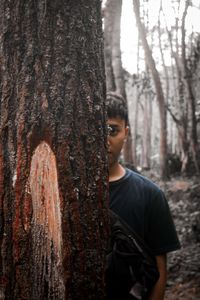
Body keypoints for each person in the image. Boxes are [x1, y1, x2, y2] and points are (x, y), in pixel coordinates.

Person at [106, 91, 181, 300]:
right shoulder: (62, 192)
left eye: (112, 130)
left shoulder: (151, 195)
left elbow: (158, 272)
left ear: (126, 133)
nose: (104, 139)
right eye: (96, 129)